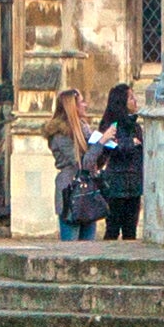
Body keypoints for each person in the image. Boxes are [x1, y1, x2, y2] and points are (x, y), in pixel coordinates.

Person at [91, 82, 149, 244]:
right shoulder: (112, 125)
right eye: (131, 98)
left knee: (131, 231)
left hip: (134, 185)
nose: (135, 101)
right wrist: (132, 143)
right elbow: (111, 148)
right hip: (116, 185)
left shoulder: (135, 126)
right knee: (112, 230)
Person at [51, 74, 105, 243]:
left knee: (88, 248)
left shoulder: (84, 129)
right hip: (71, 191)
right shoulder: (60, 134)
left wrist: (107, 144)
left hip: (88, 192)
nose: (85, 105)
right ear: (72, 106)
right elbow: (82, 163)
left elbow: (94, 161)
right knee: (71, 248)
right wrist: (101, 142)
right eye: (81, 101)